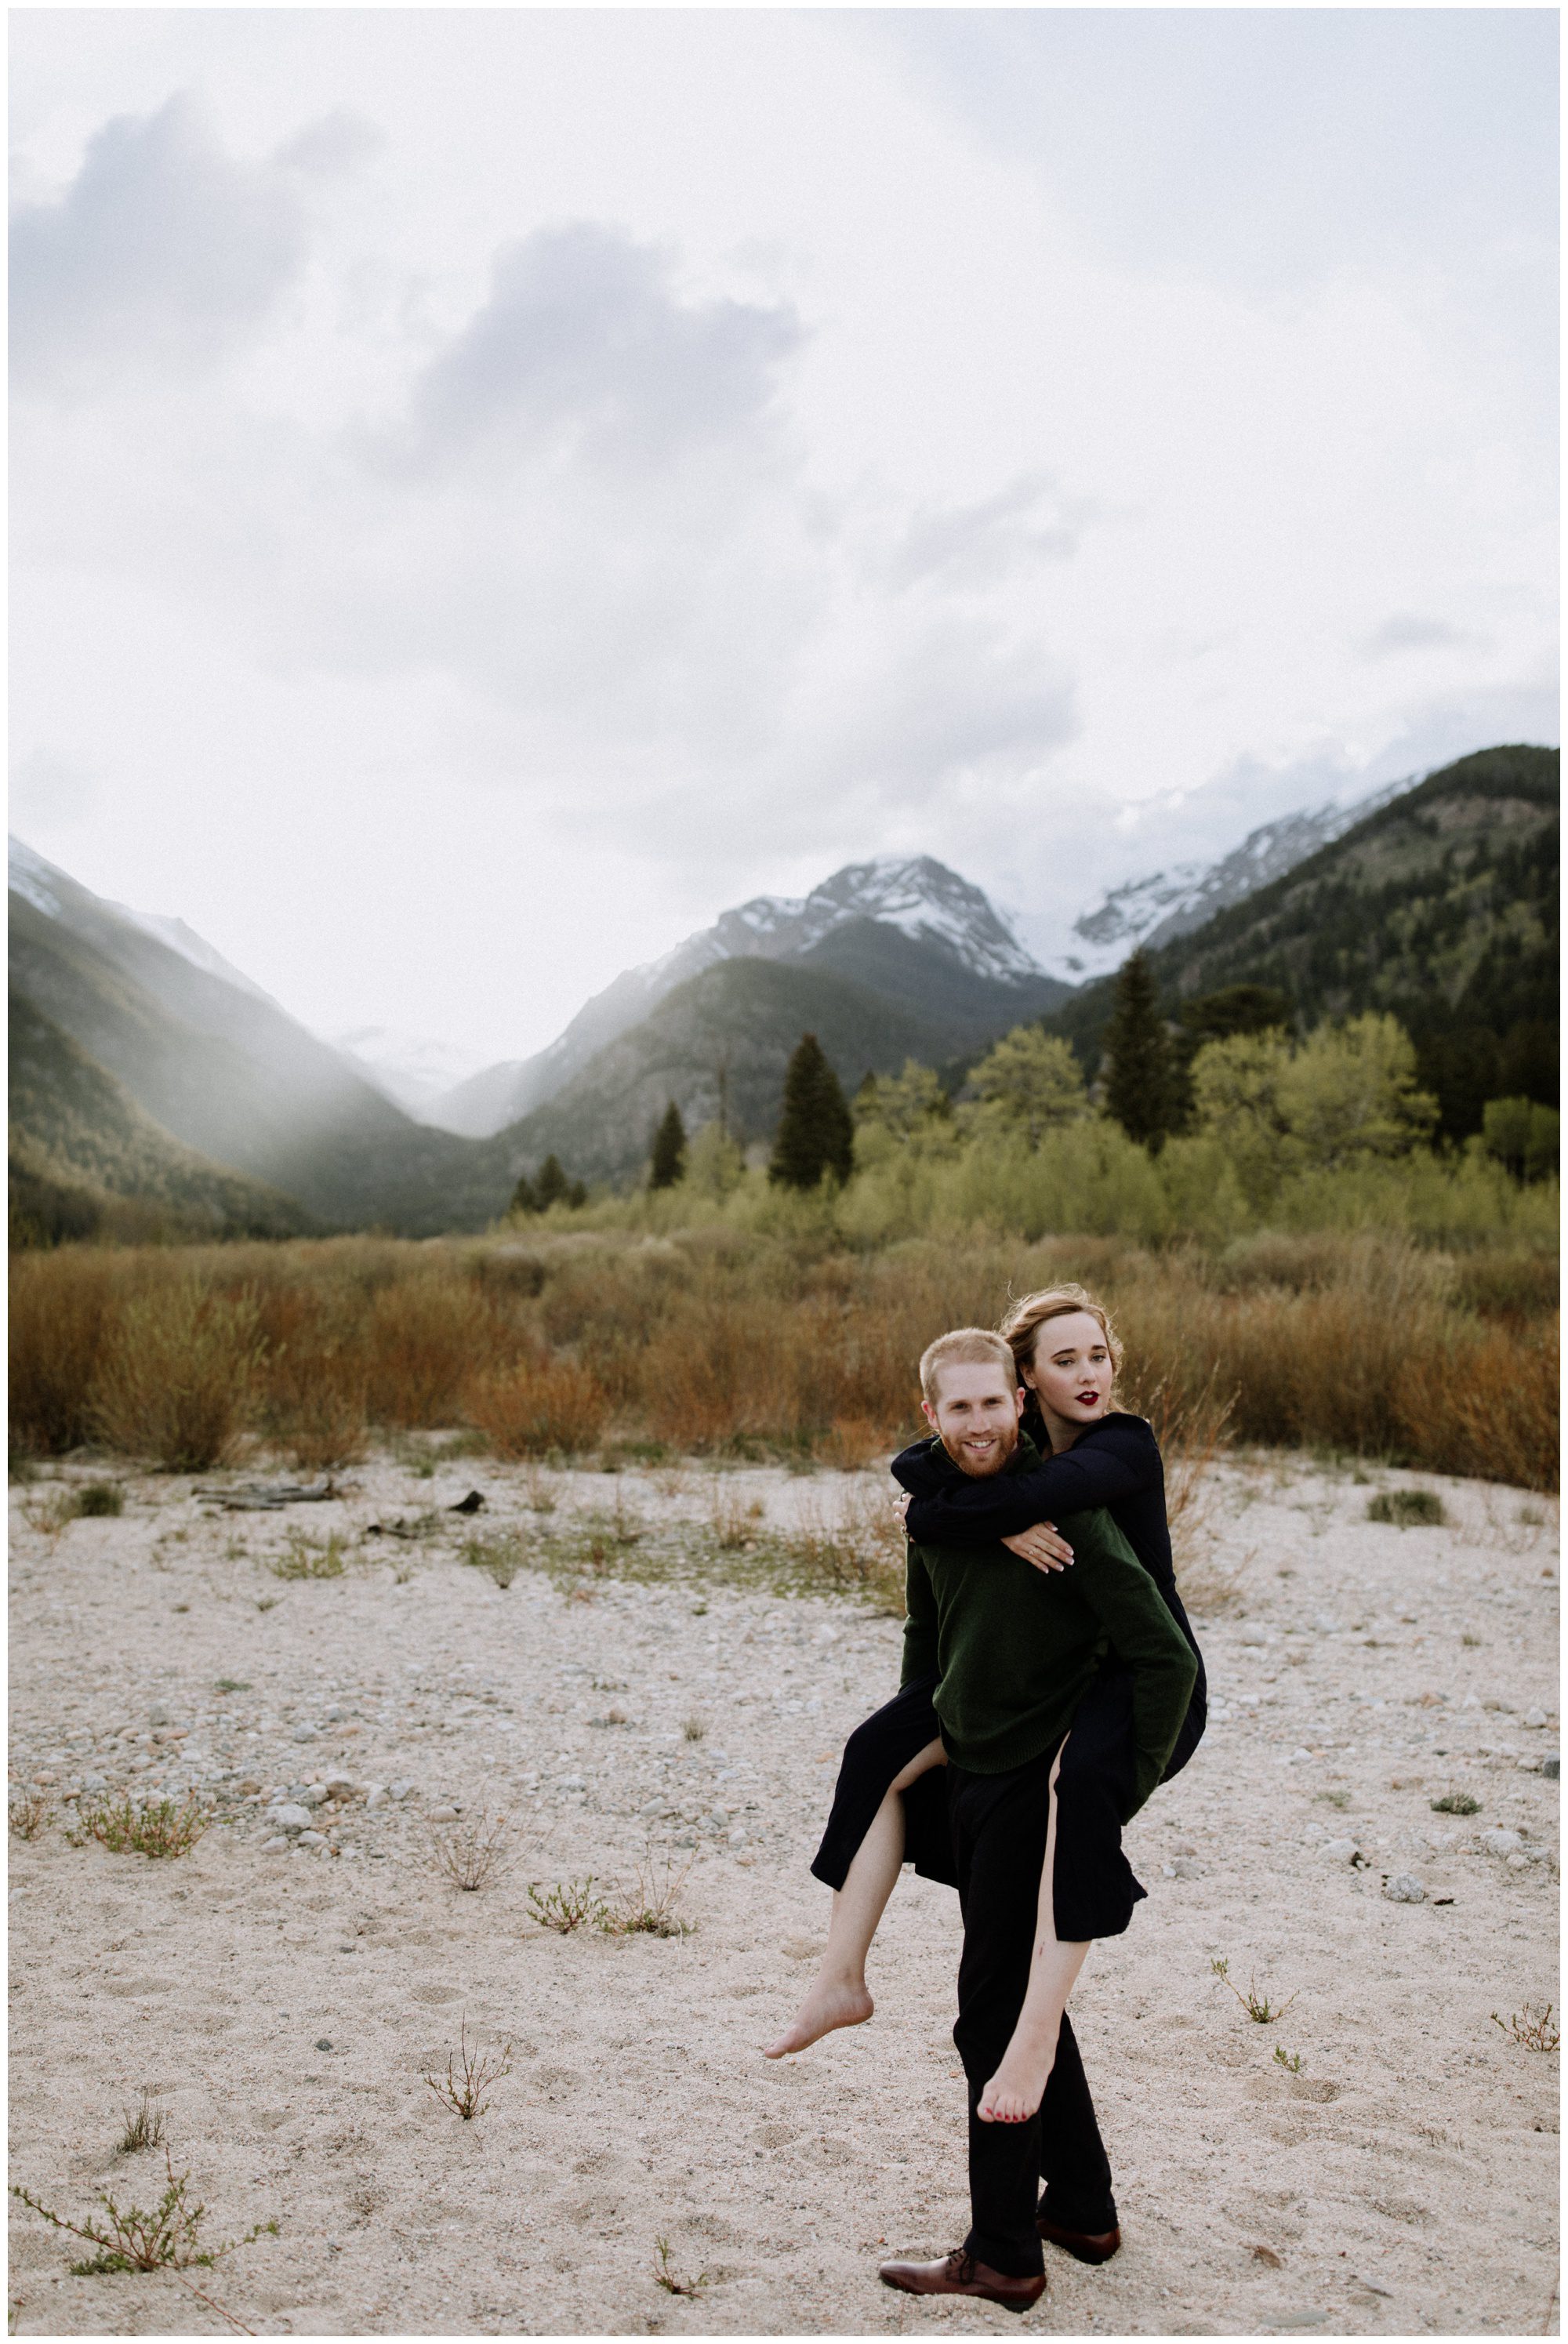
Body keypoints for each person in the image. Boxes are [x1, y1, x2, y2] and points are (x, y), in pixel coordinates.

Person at [767, 1286, 1206, 2271]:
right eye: (956, 1408)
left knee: (992, 2006)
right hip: (976, 1745)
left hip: (1060, 1748)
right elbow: (926, 1629)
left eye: (1095, 1355)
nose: (977, 1422)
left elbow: (1161, 1654)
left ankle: (1003, 2252)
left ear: (1016, 1399)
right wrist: (950, 1526)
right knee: (888, 1782)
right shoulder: (952, 1503)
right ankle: (1081, 2205)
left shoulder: (1085, 1485)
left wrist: (1111, 1778)